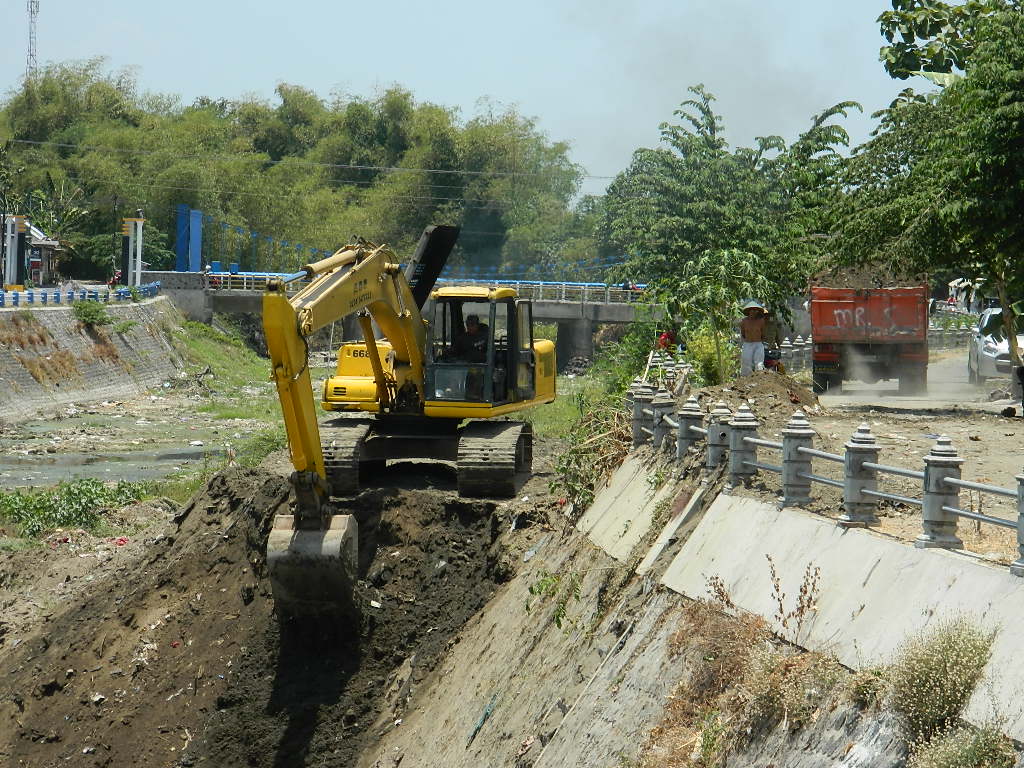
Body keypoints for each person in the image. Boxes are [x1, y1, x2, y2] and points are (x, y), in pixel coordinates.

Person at [739, 299, 767, 376]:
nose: (754, 312)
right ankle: (746, 380)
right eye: (752, 310)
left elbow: (763, 333)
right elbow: (743, 333)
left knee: (759, 364)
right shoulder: (744, 321)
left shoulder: (761, 321)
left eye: (755, 310)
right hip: (747, 344)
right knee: (746, 363)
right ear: (748, 311)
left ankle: (760, 379)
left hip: (758, 344)